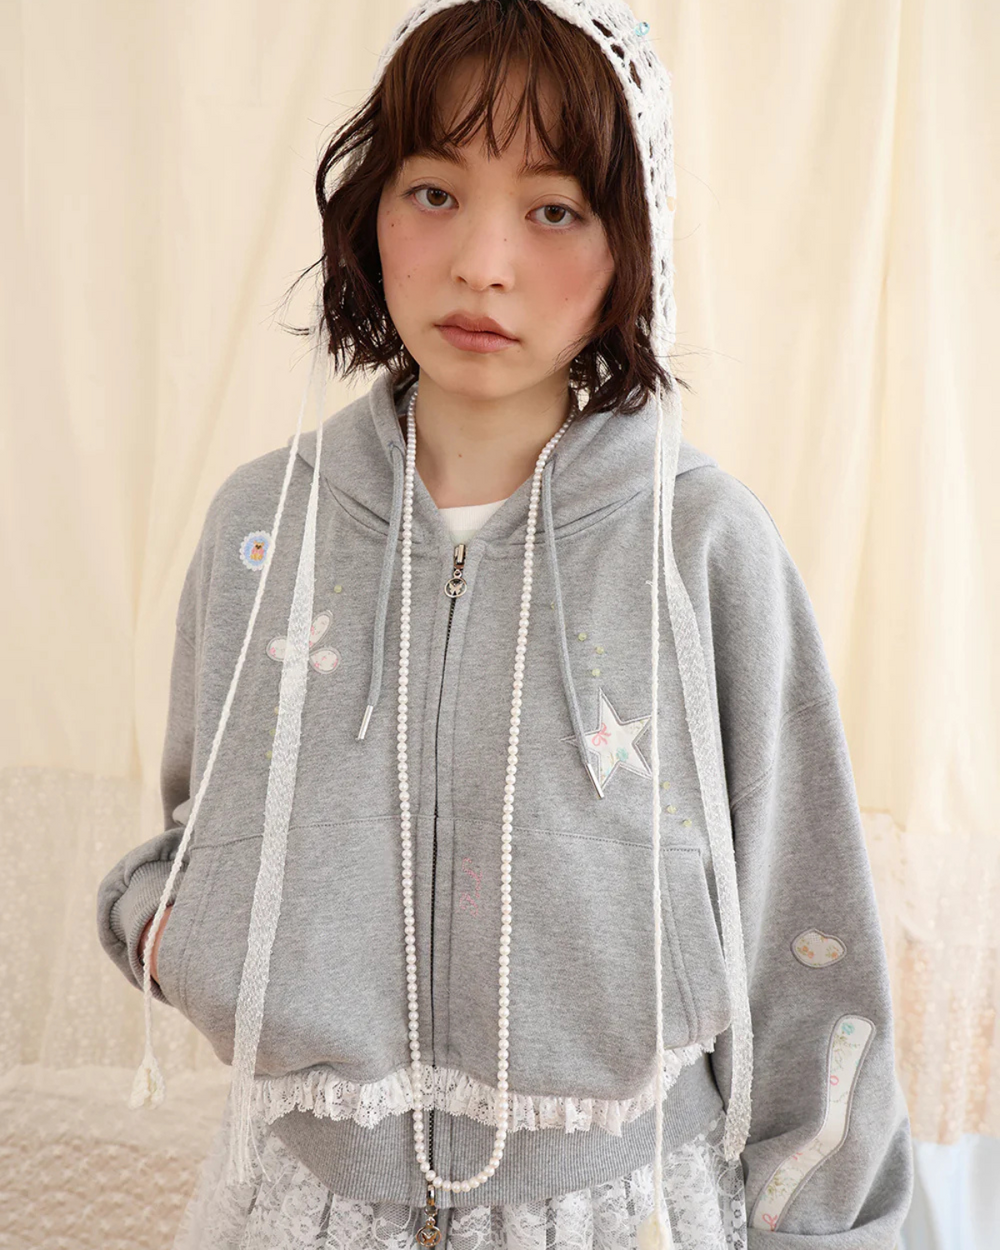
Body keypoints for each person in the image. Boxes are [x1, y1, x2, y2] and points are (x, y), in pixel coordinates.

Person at [95, 2, 914, 1247]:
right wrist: (170, 931)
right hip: (300, 1206)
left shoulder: (700, 548)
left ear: (632, 243)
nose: (483, 262)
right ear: (370, 209)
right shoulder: (266, 524)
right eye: (433, 192)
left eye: (553, 210)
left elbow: (806, 928)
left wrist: (822, 1224)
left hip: (622, 1211)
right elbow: (203, 831)